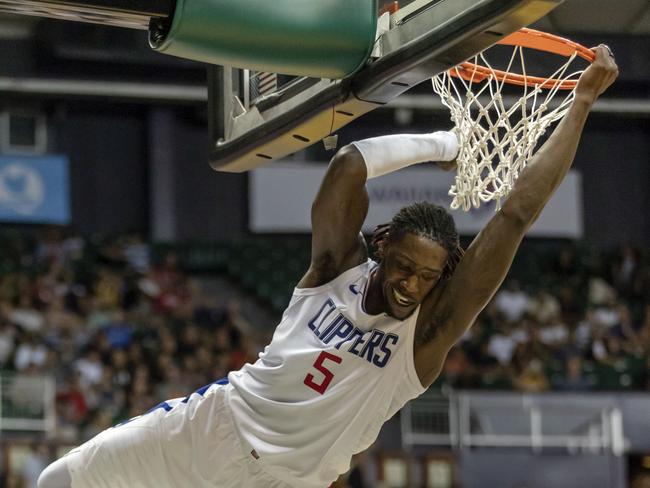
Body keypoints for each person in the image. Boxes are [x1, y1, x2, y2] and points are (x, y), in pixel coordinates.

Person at [38, 45, 618, 488]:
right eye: (404, 267)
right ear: (382, 243)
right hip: (210, 424)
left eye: (427, 277)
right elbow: (348, 164)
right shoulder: (334, 269)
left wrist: (584, 100)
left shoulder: (427, 335)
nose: (410, 286)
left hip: (291, 482)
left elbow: (514, 215)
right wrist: (443, 145)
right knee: (56, 481)